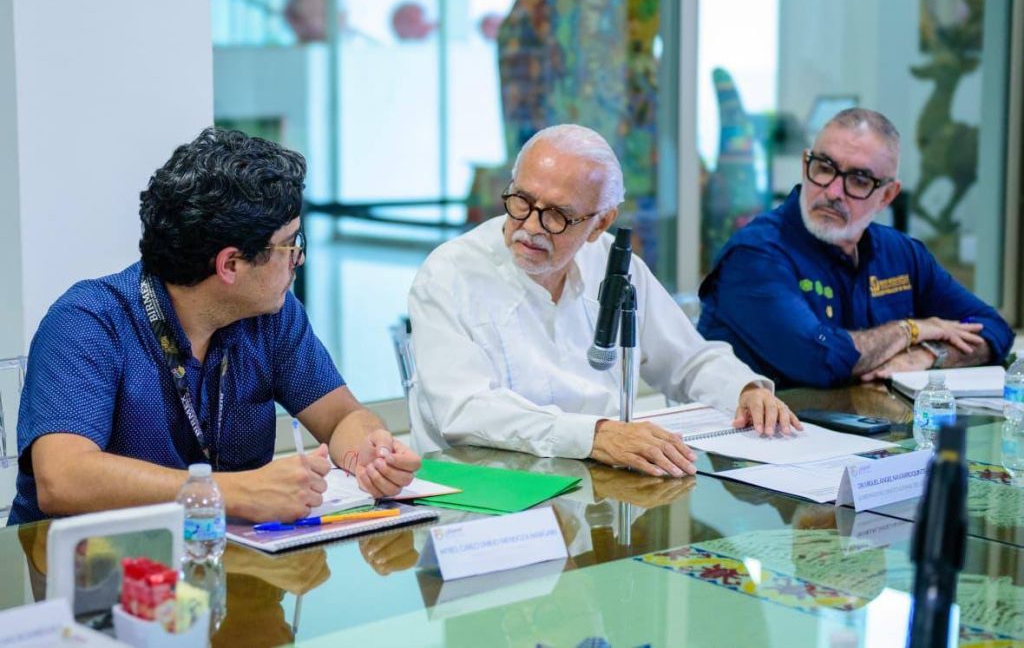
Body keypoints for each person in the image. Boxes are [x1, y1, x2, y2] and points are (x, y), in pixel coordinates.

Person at [9, 127, 420, 525]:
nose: (299, 259)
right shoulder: (88, 322)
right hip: (86, 564)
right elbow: (62, 477)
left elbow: (340, 416)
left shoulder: (271, 316)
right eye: (290, 244)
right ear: (230, 264)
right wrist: (235, 492)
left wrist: (369, 451)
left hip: (224, 556)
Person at [408, 124, 800, 478]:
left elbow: (686, 360)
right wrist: (594, 435)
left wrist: (745, 391)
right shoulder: (450, 273)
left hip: (597, 488)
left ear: (600, 223)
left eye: (557, 215)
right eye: (522, 201)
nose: (530, 226)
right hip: (486, 491)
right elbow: (465, 410)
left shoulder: (614, 264)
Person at [698, 108, 1013, 388]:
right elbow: (818, 359)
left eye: (859, 180)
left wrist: (929, 356)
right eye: (824, 168)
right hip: (766, 432)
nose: (834, 192)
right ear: (806, 165)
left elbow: (993, 328)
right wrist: (910, 330)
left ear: (887, 196)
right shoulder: (755, 254)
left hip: (875, 426)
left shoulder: (901, 253)